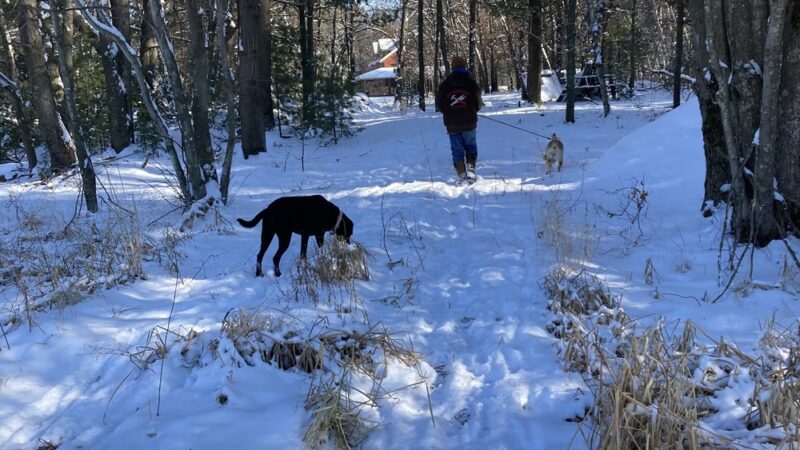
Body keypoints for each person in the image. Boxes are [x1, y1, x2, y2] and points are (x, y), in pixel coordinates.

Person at [436, 56, 483, 184]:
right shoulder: (471, 82)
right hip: (469, 120)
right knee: (470, 145)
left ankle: (462, 175)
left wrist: (448, 110)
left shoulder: (445, 84)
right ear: (464, 66)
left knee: (456, 149)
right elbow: (479, 101)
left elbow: (439, 104)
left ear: (452, 67)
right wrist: (474, 109)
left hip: (452, 123)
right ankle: (471, 169)